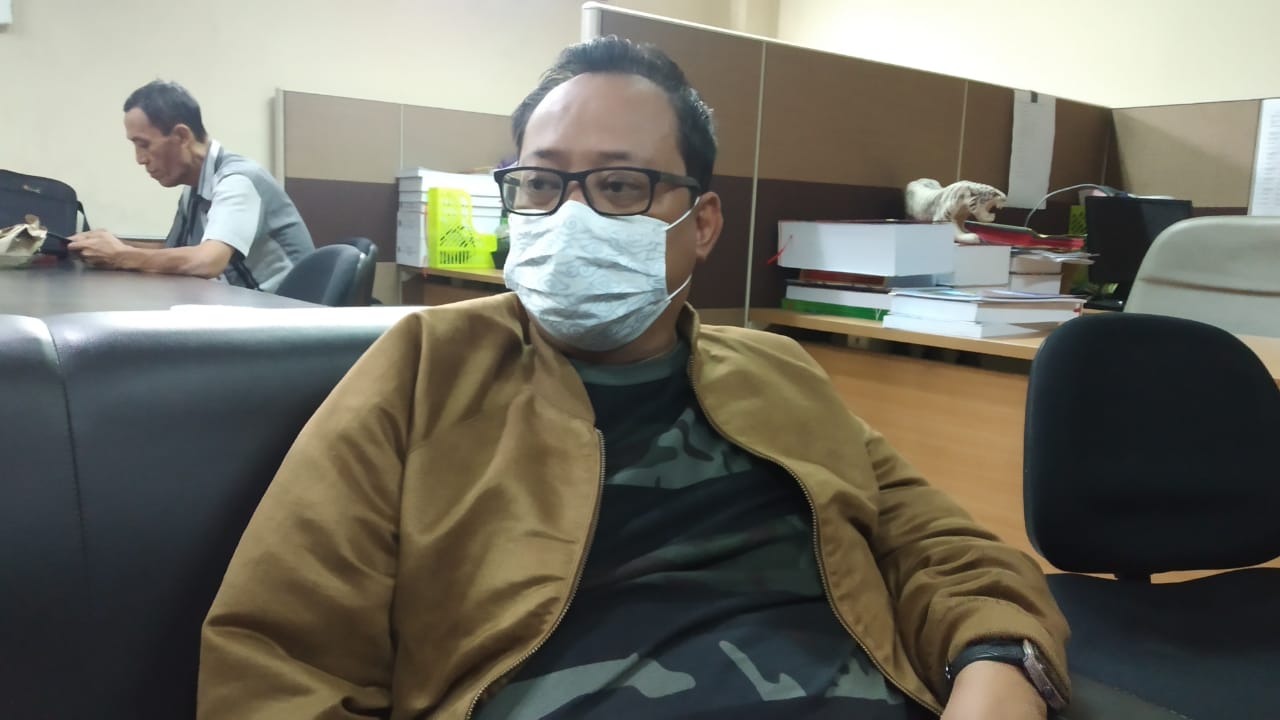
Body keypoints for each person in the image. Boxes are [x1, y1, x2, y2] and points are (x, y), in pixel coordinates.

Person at [198, 37, 1070, 720]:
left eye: (620, 186)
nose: (571, 214)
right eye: (540, 183)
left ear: (703, 224)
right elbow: (280, 656)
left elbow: (946, 550)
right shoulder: (425, 369)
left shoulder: (779, 371)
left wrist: (1001, 666)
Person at [69, 81, 314, 292]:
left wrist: (120, 256)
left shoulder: (239, 180)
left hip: (288, 317)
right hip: (248, 310)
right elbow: (172, 251)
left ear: (182, 136)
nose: (140, 159)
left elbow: (207, 262)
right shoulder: (193, 189)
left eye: (144, 144)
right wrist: (108, 245)